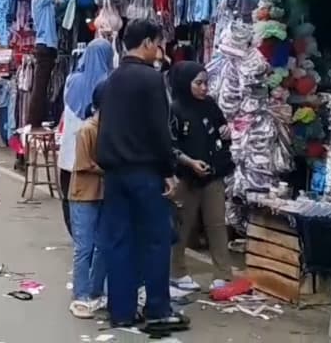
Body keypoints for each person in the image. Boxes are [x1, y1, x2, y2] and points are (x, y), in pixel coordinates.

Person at [96, 18, 188, 334]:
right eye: (158, 43)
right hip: (144, 173)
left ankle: (121, 311)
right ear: (147, 43)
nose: (159, 50)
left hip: (114, 174)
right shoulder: (150, 80)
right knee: (155, 241)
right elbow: (159, 132)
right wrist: (169, 172)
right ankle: (158, 310)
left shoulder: (111, 80)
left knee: (119, 242)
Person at [168, 61, 234, 292]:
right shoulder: (175, 109)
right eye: (199, 83)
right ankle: (177, 271)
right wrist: (190, 163)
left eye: (206, 83)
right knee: (182, 226)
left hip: (213, 174)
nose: (204, 88)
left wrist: (226, 132)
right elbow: (170, 145)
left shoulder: (210, 106)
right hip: (186, 177)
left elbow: (222, 132)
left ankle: (223, 274)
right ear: (186, 84)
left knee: (216, 224)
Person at [59, 38, 115, 237]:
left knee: (68, 195)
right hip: (96, 150)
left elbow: (66, 111)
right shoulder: (110, 83)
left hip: (69, 150)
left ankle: (77, 236)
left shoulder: (72, 80)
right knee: (99, 197)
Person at [68, 97, 107, 319]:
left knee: (101, 245)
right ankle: (80, 295)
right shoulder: (87, 130)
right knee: (84, 247)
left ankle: (95, 291)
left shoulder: (106, 129)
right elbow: (84, 164)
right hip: (84, 195)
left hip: (102, 195)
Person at [27, 0, 72, 127]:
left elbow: (61, 1)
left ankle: (38, 119)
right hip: (45, 46)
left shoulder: (46, 1)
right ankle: (33, 122)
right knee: (40, 86)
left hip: (48, 46)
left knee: (44, 85)